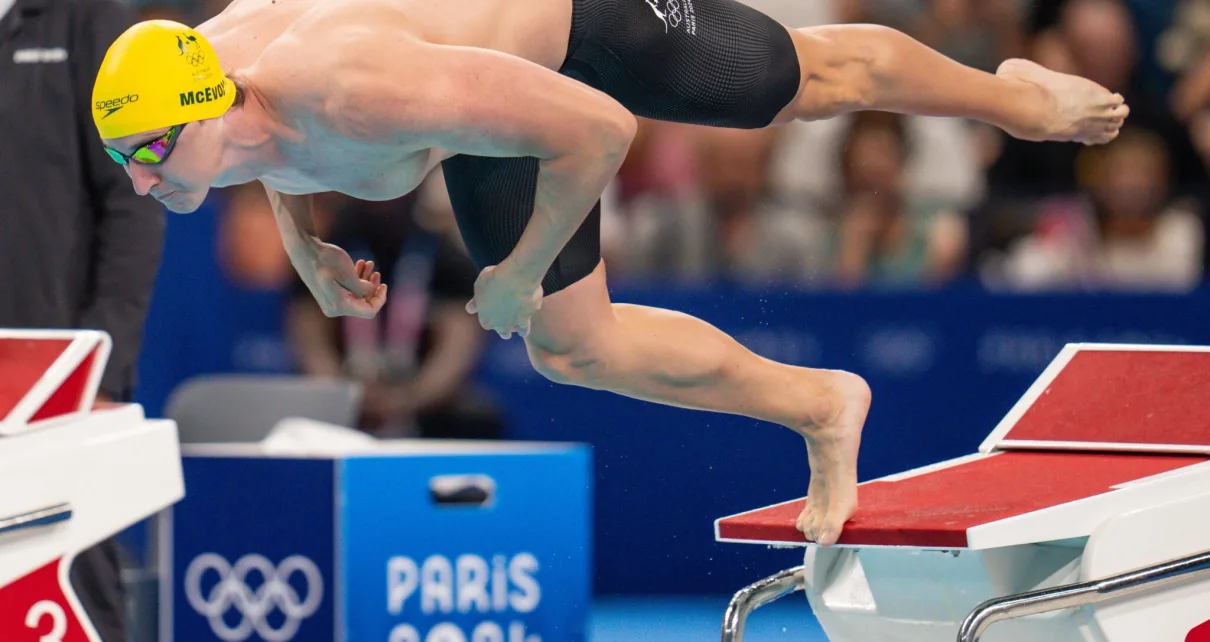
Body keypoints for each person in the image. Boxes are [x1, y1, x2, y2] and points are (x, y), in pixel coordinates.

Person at [87, 0, 1128, 546]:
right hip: (466, 94)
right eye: (124, 161)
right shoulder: (210, 94)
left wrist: (519, 269)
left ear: (200, 112)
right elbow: (264, 144)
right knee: (573, 347)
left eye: (146, 157)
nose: (138, 188)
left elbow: (601, 131)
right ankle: (819, 405)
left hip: (574, 25)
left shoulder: (350, 90)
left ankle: (1015, 100)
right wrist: (310, 247)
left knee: (812, 82)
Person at [1, 0, 165, 636]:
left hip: (58, 375)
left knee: (68, 580)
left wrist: (103, 368)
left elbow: (132, 204)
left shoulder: (87, 19)